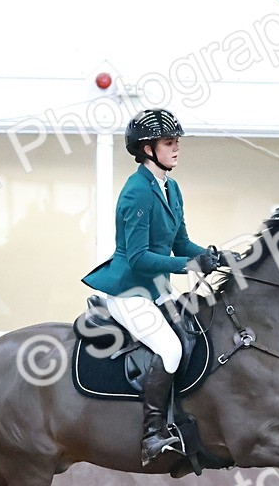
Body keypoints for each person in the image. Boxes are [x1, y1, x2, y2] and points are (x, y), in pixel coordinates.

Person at [82, 109, 221, 465]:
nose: (176, 149)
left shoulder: (170, 188)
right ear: (147, 149)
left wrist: (211, 255)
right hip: (129, 290)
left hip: (157, 287)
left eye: (176, 143)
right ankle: (152, 434)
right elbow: (140, 258)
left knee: (197, 331)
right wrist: (189, 266)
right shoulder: (136, 194)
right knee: (171, 349)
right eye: (169, 143)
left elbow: (181, 243)